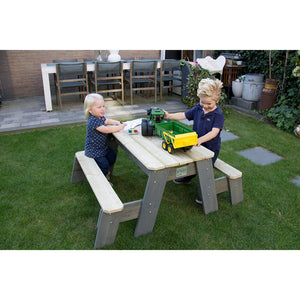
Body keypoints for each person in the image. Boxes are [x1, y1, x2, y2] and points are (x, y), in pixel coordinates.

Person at [164, 78, 224, 190]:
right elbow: (184, 115)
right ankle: (187, 177)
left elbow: (214, 132)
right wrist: (170, 116)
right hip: (197, 144)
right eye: (202, 102)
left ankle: (205, 193)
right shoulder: (198, 108)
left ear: (217, 100)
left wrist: (200, 140)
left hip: (211, 149)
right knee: (191, 163)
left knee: (205, 170)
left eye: (209, 104)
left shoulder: (218, 115)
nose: (205, 106)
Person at [84, 93, 126, 178]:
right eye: (99, 107)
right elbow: (107, 130)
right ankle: (102, 178)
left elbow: (107, 121)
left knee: (112, 156)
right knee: (104, 165)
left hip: (102, 148)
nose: (102, 109)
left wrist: (117, 122)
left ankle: (107, 172)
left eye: (103, 106)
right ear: (90, 110)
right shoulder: (93, 120)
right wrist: (119, 127)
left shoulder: (100, 117)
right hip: (94, 151)